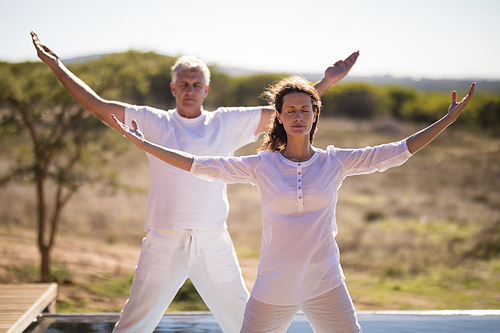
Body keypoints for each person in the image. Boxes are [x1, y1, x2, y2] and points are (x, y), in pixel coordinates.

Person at [30, 31, 359, 333]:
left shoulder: (225, 121)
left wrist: (326, 83)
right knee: (133, 324)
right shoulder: (153, 121)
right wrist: (58, 67)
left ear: (206, 89)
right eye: (183, 84)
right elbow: (100, 107)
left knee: (244, 323)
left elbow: (290, 109)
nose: (189, 90)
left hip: (213, 239)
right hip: (164, 238)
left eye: (196, 84)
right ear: (173, 88)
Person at [111, 75, 475, 333]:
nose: (298, 116)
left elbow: (394, 152)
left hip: (325, 281)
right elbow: (201, 164)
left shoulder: (335, 161)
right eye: (291, 111)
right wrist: (146, 145)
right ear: (279, 117)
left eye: (306, 109)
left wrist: (445, 120)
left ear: (315, 114)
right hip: (273, 286)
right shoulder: (262, 165)